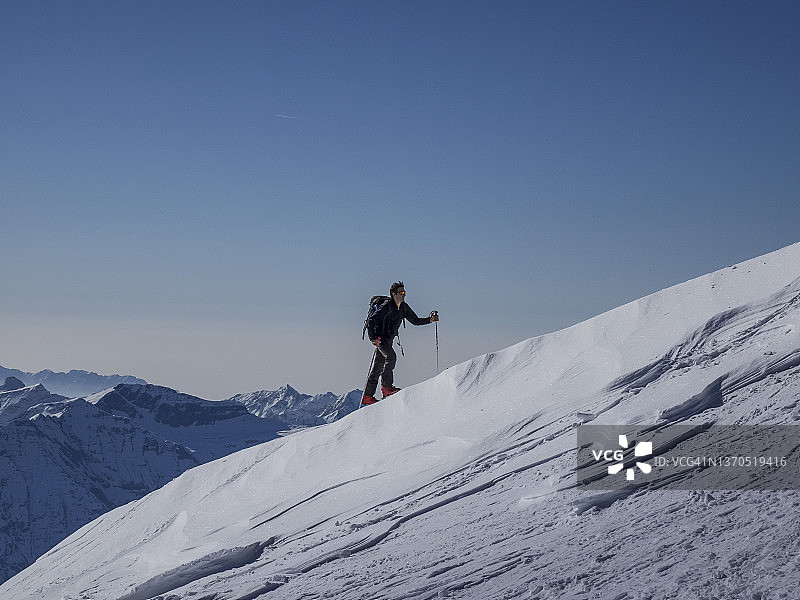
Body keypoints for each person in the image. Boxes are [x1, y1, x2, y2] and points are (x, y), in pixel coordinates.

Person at [361, 281, 439, 406]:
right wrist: (373, 338)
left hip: (388, 339)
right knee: (391, 357)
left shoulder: (403, 307)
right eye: (401, 292)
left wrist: (430, 320)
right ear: (393, 294)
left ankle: (367, 396)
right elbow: (372, 319)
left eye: (404, 292)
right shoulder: (386, 305)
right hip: (381, 339)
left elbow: (415, 320)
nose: (403, 295)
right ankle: (386, 387)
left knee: (378, 366)